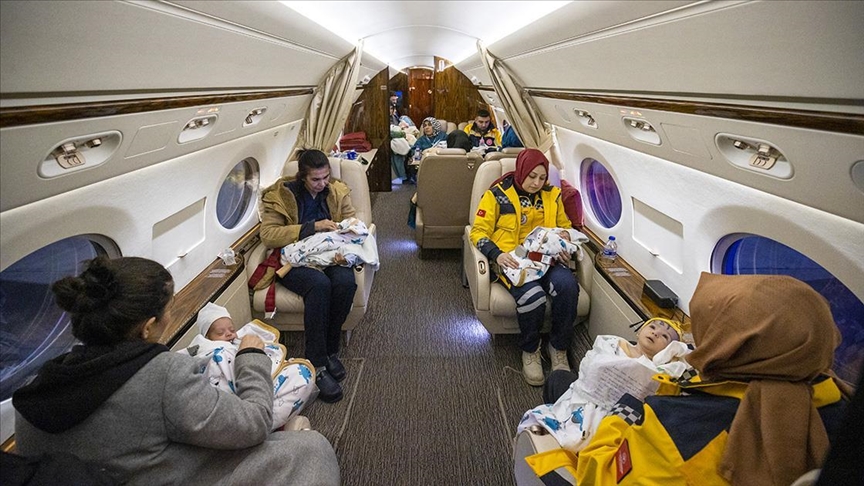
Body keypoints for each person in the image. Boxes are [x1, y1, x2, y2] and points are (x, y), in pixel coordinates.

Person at [12, 256, 339, 485]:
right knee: (310, 448)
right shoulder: (163, 374)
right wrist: (251, 356)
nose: (171, 316)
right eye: (169, 308)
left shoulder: (35, 390)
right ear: (148, 327)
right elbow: (253, 424)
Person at [571, 273, 849, 486]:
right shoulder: (837, 402)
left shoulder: (679, 429)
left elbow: (598, 476)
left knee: (559, 381)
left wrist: (623, 412)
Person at [469, 148, 579, 386]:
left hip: (547, 259)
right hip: (513, 260)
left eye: (542, 178)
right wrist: (497, 255)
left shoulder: (553, 195)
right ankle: (530, 350)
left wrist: (565, 239)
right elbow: (478, 232)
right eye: (532, 176)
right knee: (533, 297)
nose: (537, 183)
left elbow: (565, 226)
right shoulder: (497, 195)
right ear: (521, 171)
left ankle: (558, 347)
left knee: (568, 287)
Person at [258, 149, 357, 403]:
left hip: (328, 254)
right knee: (319, 285)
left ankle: (331, 349)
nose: (322, 184)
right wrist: (312, 227)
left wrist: (347, 231)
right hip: (294, 260)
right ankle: (317, 363)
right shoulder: (280, 196)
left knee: (346, 283)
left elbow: (352, 220)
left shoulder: (337, 191)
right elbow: (268, 235)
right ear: (302, 177)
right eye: (316, 179)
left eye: (326, 177)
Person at [517, 318, 689, 454]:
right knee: (558, 377)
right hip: (585, 396)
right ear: (639, 331)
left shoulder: (658, 370)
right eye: (653, 327)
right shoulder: (612, 343)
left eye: (665, 337)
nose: (656, 332)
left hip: (614, 418)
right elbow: (590, 367)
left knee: (559, 382)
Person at [186, 303, 318, 431]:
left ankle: (269, 422)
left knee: (300, 374)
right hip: (238, 402)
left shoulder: (238, 342)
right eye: (220, 333)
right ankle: (266, 426)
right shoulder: (214, 355)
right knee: (302, 377)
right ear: (207, 338)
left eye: (232, 330)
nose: (229, 334)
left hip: (256, 391)